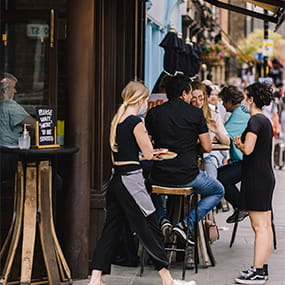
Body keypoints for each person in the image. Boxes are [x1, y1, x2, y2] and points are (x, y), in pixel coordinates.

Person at [88, 81, 196, 285]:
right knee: (150, 227)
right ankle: (167, 280)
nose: (147, 103)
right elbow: (148, 153)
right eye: (146, 99)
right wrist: (155, 154)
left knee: (110, 230)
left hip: (117, 180)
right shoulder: (136, 122)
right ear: (141, 99)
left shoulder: (117, 120)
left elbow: (119, 155)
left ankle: (95, 279)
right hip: (132, 182)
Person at [145, 75, 224, 244]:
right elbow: (207, 147)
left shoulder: (154, 113)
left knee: (146, 187)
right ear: (183, 93)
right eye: (189, 94)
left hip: (160, 175)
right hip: (188, 175)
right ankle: (185, 224)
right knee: (218, 191)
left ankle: (162, 219)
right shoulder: (195, 114)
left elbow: (148, 145)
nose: (190, 98)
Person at [234, 82, 275, 284]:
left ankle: (258, 271)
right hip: (265, 176)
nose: (243, 100)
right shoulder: (265, 120)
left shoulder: (254, 121)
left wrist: (238, 143)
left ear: (251, 99)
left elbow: (248, 149)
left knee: (259, 226)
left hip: (256, 177)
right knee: (265, 226)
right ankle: (261, 268)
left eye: (245, 96)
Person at [217, 86, 250, 223]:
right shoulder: (241, 111)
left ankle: (242, 206)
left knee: (219, 179)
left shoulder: (238, 114)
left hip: (245, 162)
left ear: (230, 101)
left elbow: (225, 134)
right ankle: (240, 205)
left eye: (224, 102)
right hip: (244, 160)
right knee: (217, 175)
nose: (223, 105)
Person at [191, 80, 230, 178]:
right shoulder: (186, 115)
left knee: (211, 180)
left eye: (200, 98)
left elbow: (227, 141)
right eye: (194, 99)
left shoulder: (213, 115)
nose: (198, 102)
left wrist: (216, 131)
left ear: (205, 97)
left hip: (208, 156)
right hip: (190, 156)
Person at [0, 73, 35, 181]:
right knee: (55, 180)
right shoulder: (10, 107)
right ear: (5, 90)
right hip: (10, 157)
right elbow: (35, 125)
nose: (15, 91)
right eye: (13, 88)